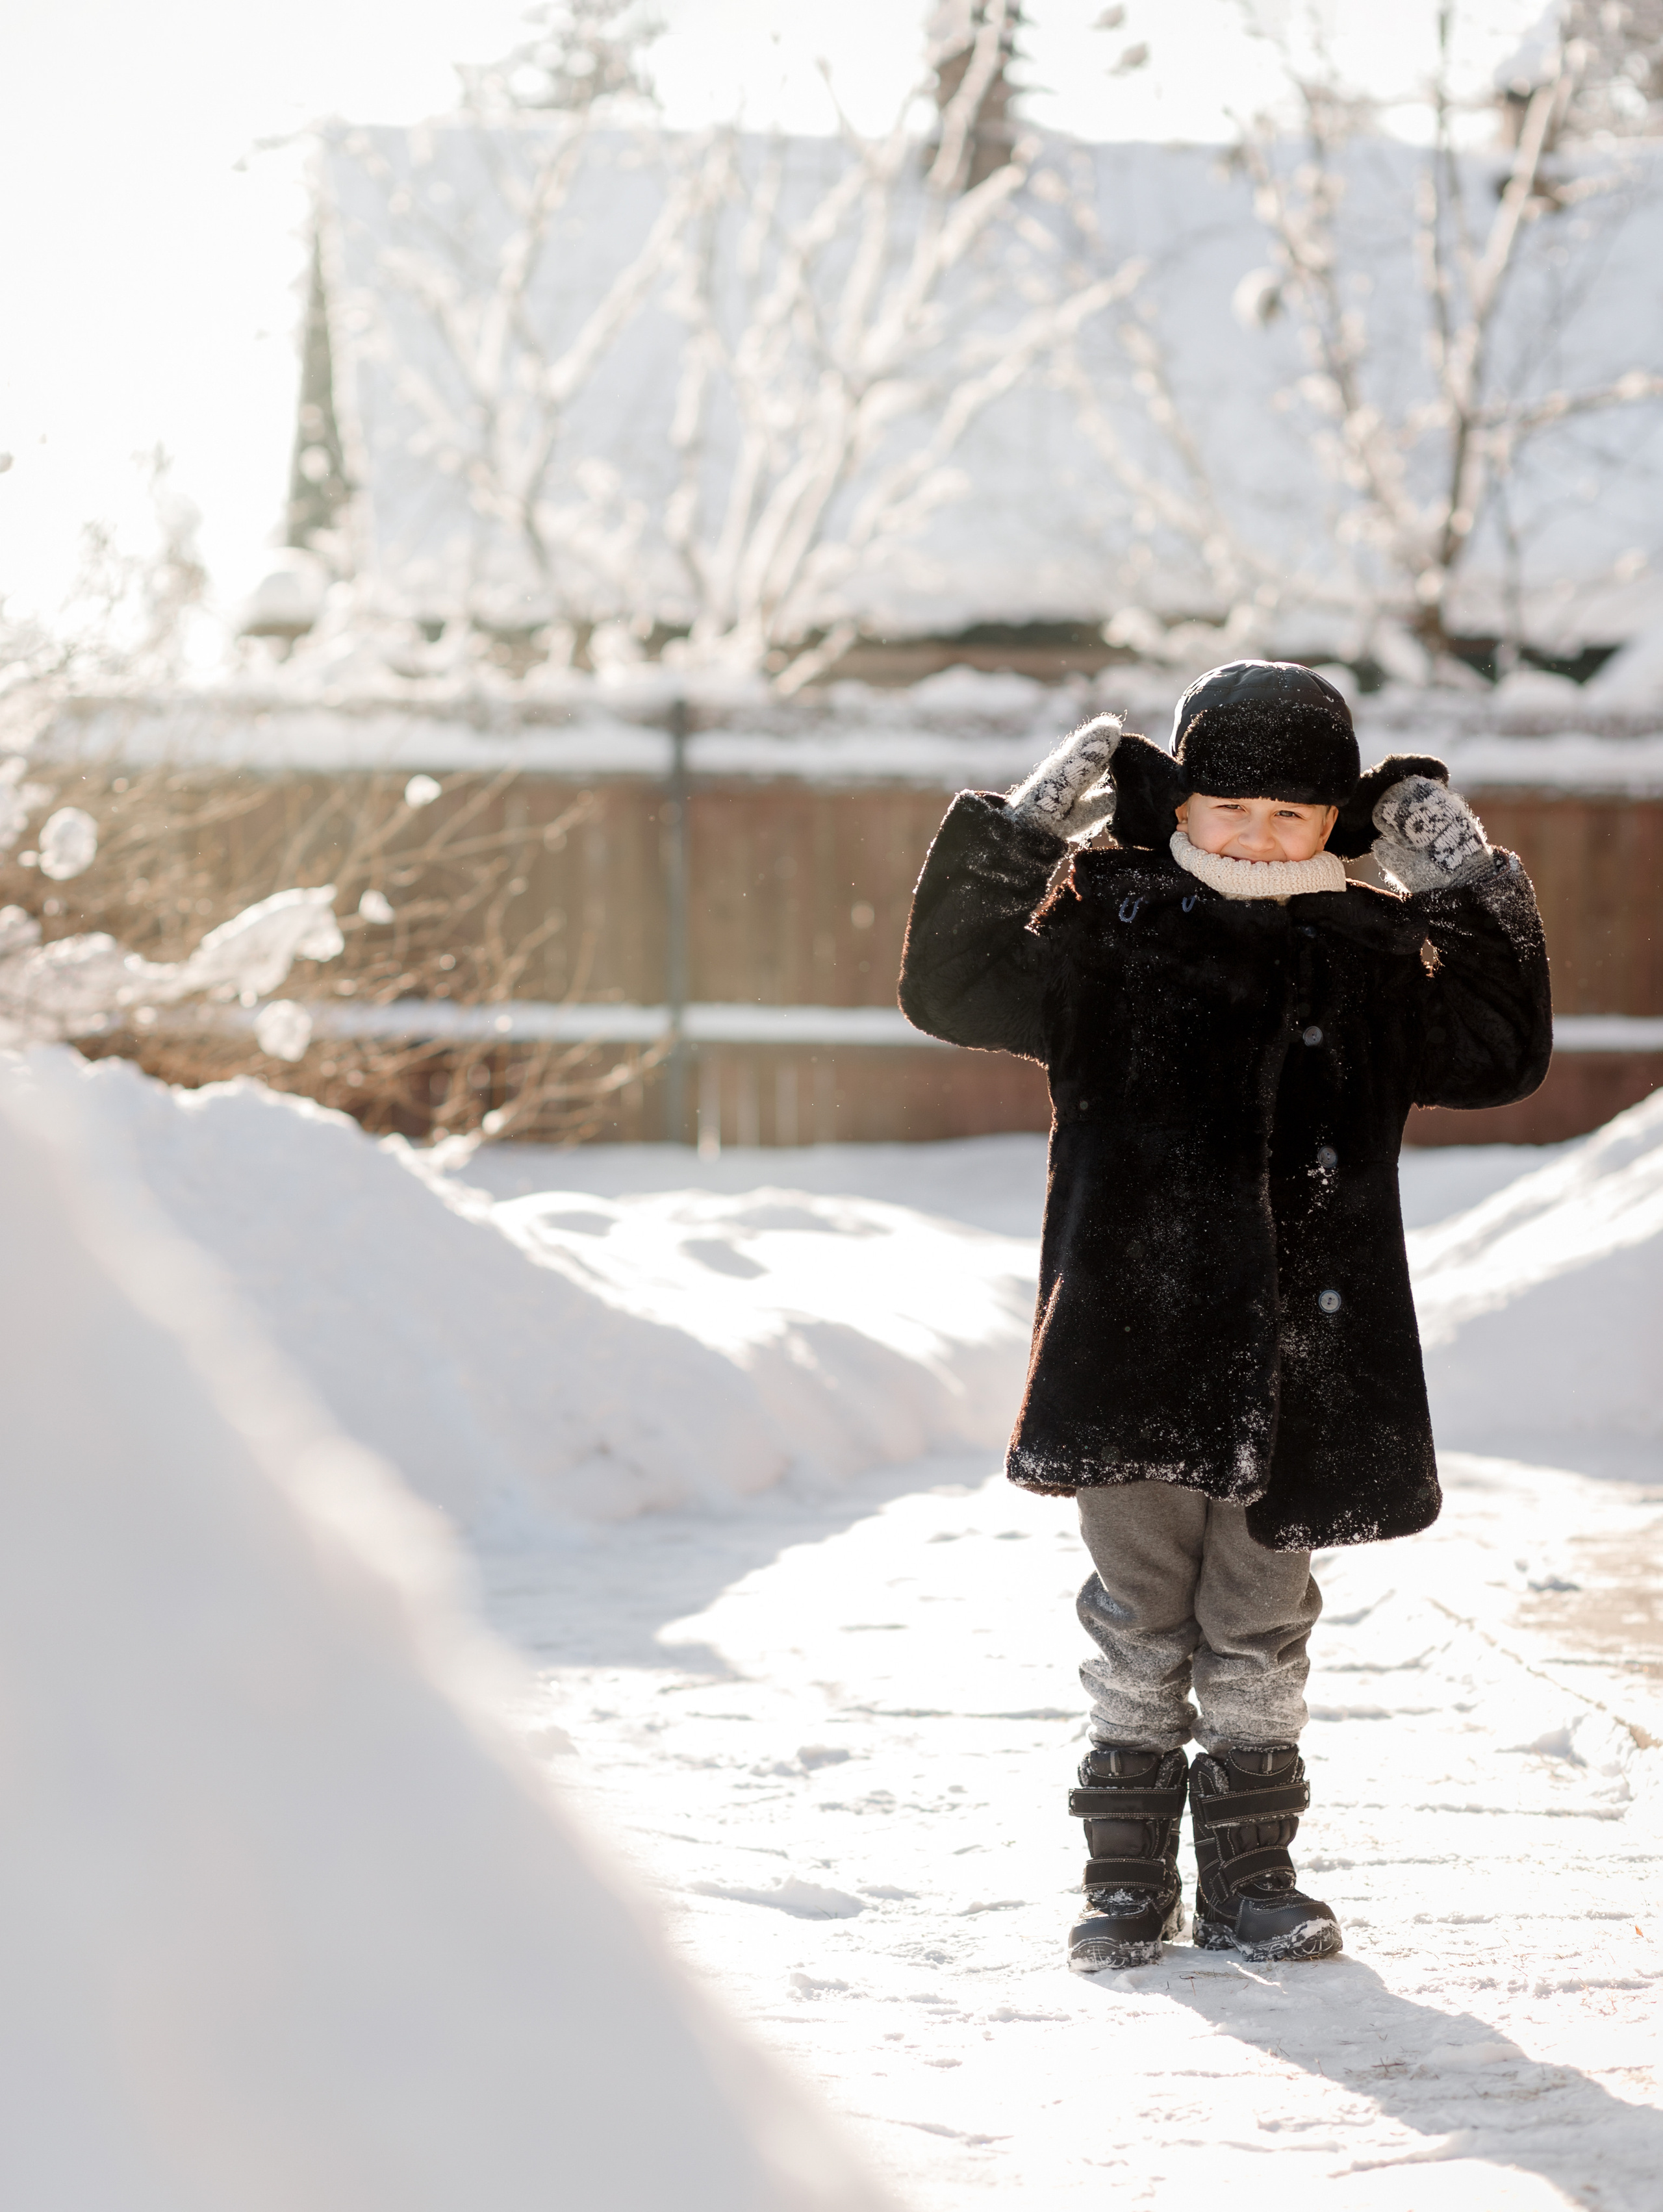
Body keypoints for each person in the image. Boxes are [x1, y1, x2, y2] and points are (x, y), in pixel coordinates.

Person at [897, 660, 1551, 1970]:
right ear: (1175, 804)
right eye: (1227, 808)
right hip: (1133, 1335)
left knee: (1258, 1616)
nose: (1255, 836)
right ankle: (1125, 1876)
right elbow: (949, 987)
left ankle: (1253, 1869)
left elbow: (1498, 1053)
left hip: (1306, 1350)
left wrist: (1464, 883)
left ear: (1337, 825)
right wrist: (1020, 832)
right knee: (1140, 1611)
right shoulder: (1106, 924)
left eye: (1291, 816)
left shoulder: (1370, 949)